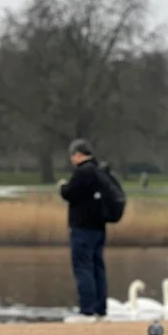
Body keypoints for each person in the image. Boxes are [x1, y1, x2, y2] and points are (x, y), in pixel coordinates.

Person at [60, 138, 110, 321]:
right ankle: (100, 310)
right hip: (99, 228)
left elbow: (69, 193)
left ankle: (86, 310)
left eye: (72, 156)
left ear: (78, 154)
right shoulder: (99, 171)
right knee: (98, 268)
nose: (72, 160)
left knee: (83, 268)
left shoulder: (83, 172)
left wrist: (62, 187)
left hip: (82, 228)